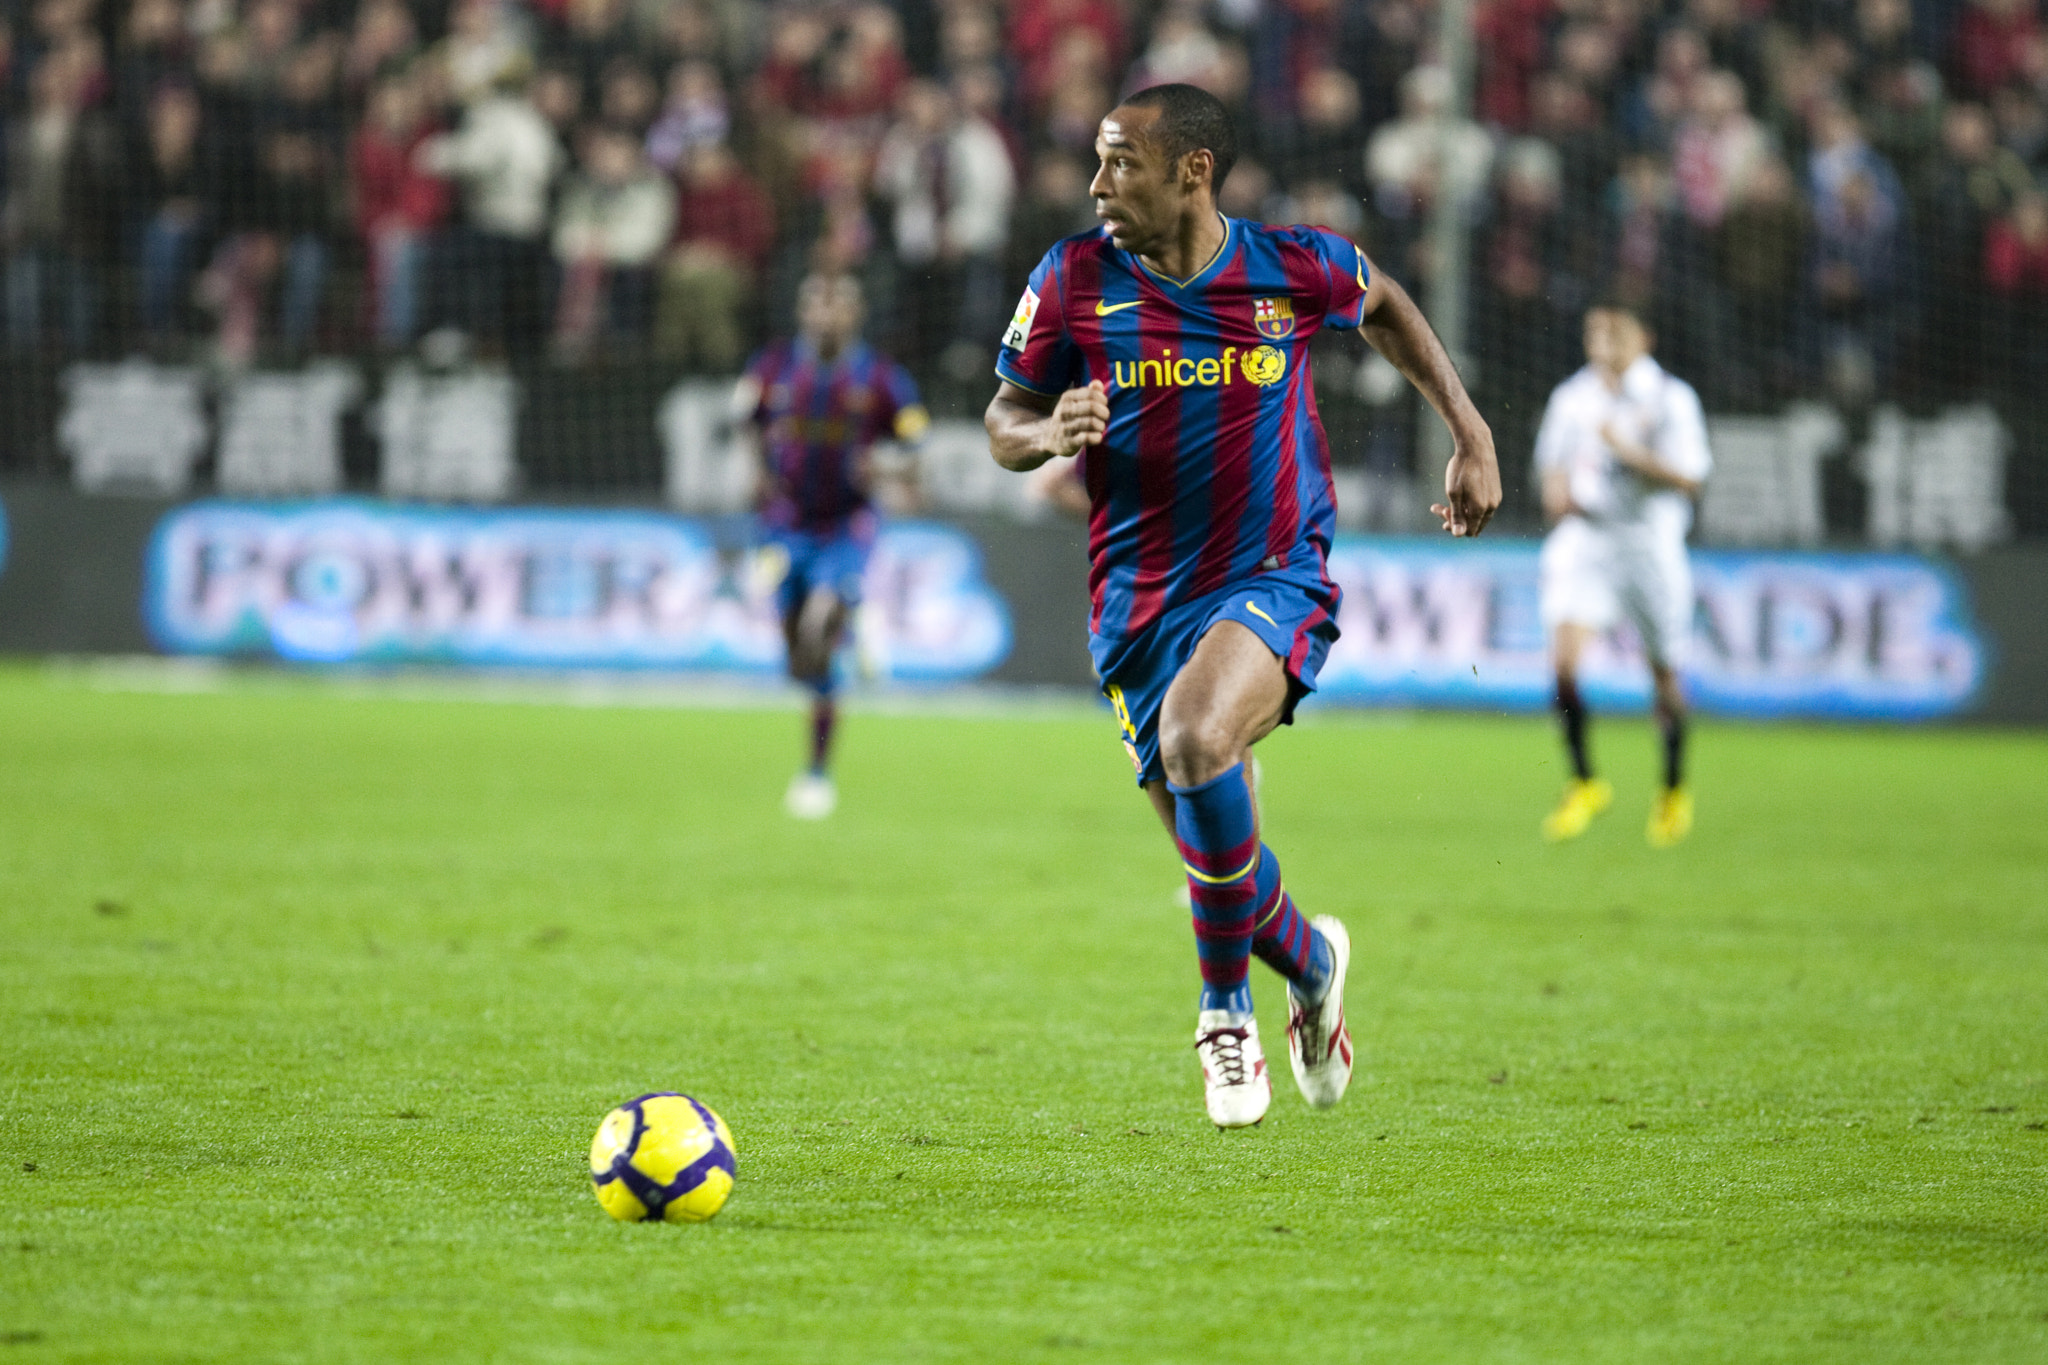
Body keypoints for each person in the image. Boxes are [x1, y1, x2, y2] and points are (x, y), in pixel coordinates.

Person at [984, 83, 1499, 1130]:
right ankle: (1311, 969)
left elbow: (1387, 303)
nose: (1096, 184)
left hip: (1272, 575)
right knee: (1217, 857)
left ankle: (1225, 1019)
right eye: (1096, 159)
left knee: (1194, 735)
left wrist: (1469, 432)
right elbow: (1003, 415)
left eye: (1120, 161)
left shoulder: (1292, 265)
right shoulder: (1072, 277)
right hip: (1132, 606)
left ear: (1192, 170)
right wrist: (1047, 433)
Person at [735, 272, 928, 820]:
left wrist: (884, 465)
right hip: (785, 523)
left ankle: (817, 773)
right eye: (815, 301)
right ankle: (850, 627)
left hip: (848, 526)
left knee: (822, 626)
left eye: (837, 303)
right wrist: (757, 473)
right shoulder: (772, 367)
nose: (825, 313)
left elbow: (916, 446)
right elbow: (746, 421)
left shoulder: (882, 377)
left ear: (856, 313)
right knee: (800, 660)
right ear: (801, 310)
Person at [1534, 302, 1713, 848]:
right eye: (1594, 329)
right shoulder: (1572, 397)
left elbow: (1690, 480)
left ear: (1644, 336)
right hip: (1588, 541)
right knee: (1563, 665)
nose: (1602, 339)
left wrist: (1630, 454)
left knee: (1664, 674)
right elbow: (1552, 468)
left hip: (1648, 545)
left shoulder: (1671, 399)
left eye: (1615, 329)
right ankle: (1585, 781)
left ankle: (1673, 787)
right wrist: (1557, 494)